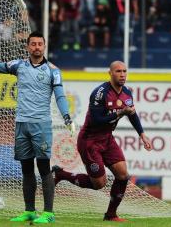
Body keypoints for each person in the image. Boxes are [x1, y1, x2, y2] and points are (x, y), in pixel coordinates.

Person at [0, 31, 76, 224]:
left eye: (39, 44)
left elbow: (59, 95)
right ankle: (29, 211)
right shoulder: (18, 66)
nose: (36, 47)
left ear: (44, 47)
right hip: (21, 124)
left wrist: (67, 117)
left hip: (41, 125)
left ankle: (48, 213)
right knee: (26, 168)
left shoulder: (53, 70)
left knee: (43, 167)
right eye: (33, 44)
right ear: (27, 47)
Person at [52, 61, 153, 222]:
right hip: (89, 141)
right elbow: (98, 120)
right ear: (110, 73)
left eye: (125, 71)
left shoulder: (127, 93)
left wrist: (142, 134)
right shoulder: (100, 93)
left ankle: (111, 215)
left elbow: (132, 114)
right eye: (118, 71)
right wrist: (121, 112)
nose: (122, 74)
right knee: (99, 184)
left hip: (107, 139)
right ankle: (63, 174)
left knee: (123, 175)